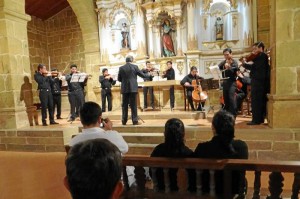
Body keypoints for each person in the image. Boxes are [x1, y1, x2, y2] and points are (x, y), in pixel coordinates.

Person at [194, 110, 248, 197]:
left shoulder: (202, 148)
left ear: (213, 128)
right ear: (232, 127)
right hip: (234, 191)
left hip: (209, 191)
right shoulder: (241, 147)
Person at [151, 118, 195, 192]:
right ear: (183, 134)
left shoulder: (157, 151)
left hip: (162, 191)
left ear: (165, 134)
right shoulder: (189, 154)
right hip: (183, 194)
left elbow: (152, 172)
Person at [241, 41, 270, 125]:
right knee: (257, 101)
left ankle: (256, 120)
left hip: (258, 82)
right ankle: (259, 119)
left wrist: (245, 64)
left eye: (255, 49)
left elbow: (254, 67)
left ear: (261, 48)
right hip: (258, 81)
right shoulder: (260, 56)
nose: (253, 51)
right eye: (252, 49)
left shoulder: (262, 56)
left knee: (256, 101)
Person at [118, 55, 148, 125]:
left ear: (126, 60)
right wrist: (149, 74)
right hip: (133, 88)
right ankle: (134, 120)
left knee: (124, 105)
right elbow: (143, 75)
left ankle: (124, 120)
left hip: (124, 88)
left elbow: (119, 79)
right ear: (131, 60)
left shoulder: (121, 68)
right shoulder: (135, 67)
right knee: (133, 105)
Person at [218, 48, 238, 117]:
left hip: (232, 83)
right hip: (225, 83)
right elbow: (218, 67)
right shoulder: (224, 62)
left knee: (231, 99)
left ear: (231, 54)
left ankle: (233, 114)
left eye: (227, 55)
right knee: (226, 99)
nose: (226, 56)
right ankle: (227, 114)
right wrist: (222, 66)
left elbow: (234, 70)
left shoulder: (234, 62)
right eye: (225, 55)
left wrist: (229, 67)